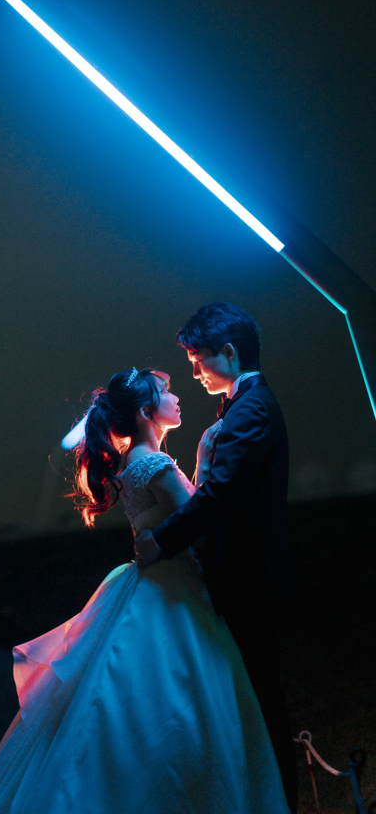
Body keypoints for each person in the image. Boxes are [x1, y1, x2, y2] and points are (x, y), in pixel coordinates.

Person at [0, 367, 290, 814]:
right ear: (148, 412)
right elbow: (202, 520)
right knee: (189, 698)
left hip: (151, 582)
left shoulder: (137, 463)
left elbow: (181, 516)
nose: (176, 395)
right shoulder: (155, 464)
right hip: (175, 591)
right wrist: (206, 463)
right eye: (165, 392)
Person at [135, 302, 296, 811]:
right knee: (246, 698)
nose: (195, 371)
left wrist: (162, 541)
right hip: (239, 573)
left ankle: (281, 800)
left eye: (200, 359)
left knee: (262, 700)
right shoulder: (239, 404)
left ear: (229, 352)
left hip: (251, 577)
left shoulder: (251, 408)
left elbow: (221, 495)